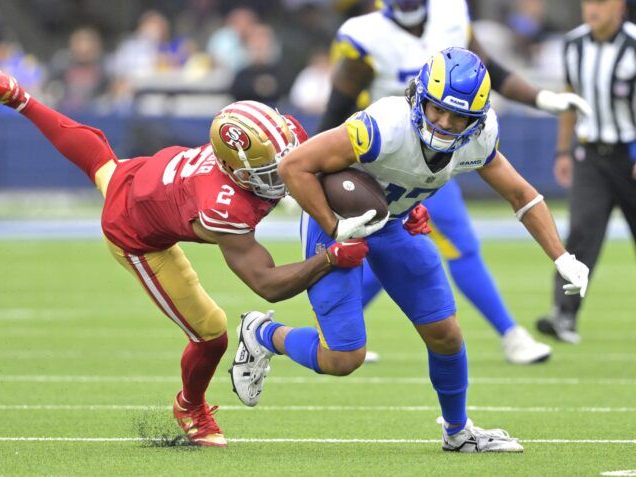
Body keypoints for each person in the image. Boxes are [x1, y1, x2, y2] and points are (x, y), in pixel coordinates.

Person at [0, 62, 369, 447]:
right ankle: (190, 408)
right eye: (270, 173)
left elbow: (92, 151)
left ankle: (19, 97)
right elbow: (266, 284)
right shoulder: (224, 208)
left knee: (102, 163)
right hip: (135, 234)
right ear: (237, 172)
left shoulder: (278, 140)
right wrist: (329, 258)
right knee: (211, 332)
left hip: (135, 174)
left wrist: (19, 98)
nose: (283, 176)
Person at [230, 48, 590, 453]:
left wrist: (561, 256)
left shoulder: (481, 135)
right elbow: (294, 166)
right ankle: (263, 334)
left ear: (477, 118)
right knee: (344, 357)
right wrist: (335, 228)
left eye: (459, 117)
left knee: (445, 333)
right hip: (334, 221)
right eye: (437, 110)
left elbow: (521, 195)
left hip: (392, 222)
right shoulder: (385, 125)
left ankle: (458, 432)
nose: (445, 123)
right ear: (419, 97)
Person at [316, 0, 593, 365]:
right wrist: (317, 170)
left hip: (437, 159)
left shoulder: (451, 15)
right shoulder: (364, 35)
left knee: (441, 249)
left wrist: (541, 97)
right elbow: (339, 104)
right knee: (392, 251)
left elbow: (490, 71)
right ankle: (331, 335)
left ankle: (509, 334)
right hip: (383, 156)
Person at [536, 0, 636, 344]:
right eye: (588, 2)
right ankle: (563, 314)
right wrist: (563, 150)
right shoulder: (574, 43)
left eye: (601, 2)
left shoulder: (633, 44)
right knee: (581, 232)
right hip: (591, 155)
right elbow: (570, 100)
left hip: (630, 154)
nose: (592, 9)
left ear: (620, 6)